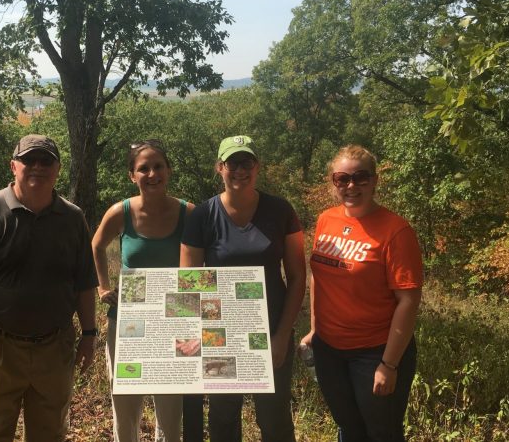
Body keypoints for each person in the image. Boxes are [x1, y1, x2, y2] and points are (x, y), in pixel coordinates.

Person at [0, 134, 99, 441]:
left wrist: (89, 334)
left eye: (46, 161)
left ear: (57, 169)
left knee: (50, 433)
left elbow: (84, 283)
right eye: (29, 160)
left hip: (54, 348)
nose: (37, 167)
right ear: (13, 166)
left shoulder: (73, 218)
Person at [180, 135, 307, 442]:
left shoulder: (280, 211)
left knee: (274, 417)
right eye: (232, 163)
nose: (240, 170)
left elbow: (298, 277)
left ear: (257, 166)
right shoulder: (203, 215)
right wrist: (192, 337)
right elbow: (188, 281)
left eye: (246, 162)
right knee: (223, 418)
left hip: (272, 331)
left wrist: (281, 337)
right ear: (219, 167)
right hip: (219, 335)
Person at [300, 144, 423, 442]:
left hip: (375, 352)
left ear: (375, 180)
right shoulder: (326, 220)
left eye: (361, 177)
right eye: (342, 179)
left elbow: (408, 300)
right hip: (330, 350)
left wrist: (389, 364)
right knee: (349, 427)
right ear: (333, 182)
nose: (351, 186)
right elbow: (318, 275)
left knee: (382, 432)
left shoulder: (395, 230)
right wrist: (315, 329)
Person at [92, 139, 195, 442]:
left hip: (175, 319)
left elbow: (203, 261)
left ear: (169, 170)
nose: (152, 174)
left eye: (158, 166)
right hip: (129, 320)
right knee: (125, 403)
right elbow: (96, 245)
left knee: (170, 407)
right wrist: (103, 287)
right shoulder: (121, 212)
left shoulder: (189, 212)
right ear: (132, 176)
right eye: (143, 168)